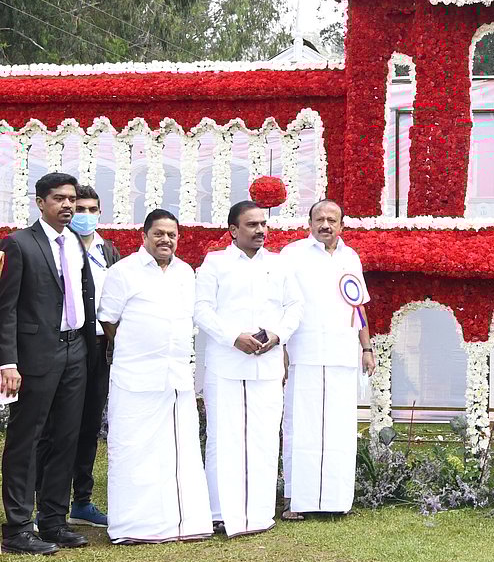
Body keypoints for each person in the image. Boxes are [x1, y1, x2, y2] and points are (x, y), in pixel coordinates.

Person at [98, 210, 211, 544]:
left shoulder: (185, 272)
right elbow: (108, 320)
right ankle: (133, 527)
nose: (166, 240)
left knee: (180, 451)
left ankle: (184, 523)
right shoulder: (123, 272)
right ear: (144, 236)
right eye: (159, 234)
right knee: (134, 451)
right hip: (135, 377)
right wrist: (136, 346)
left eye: (172, 235)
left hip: (176, 379)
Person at [0, 173, 95, 554]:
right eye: (59, 198)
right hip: (35, 354)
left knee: (66, 438)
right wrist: (7, 362)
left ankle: (54, 521)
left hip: (76, 351)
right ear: (40, 202)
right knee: (27, 439)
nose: (68, 206)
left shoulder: (75, 243)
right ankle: (18, 528)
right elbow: (5, 309)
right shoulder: (19, 244)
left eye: (72, 199)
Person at [195, 200, 302, 537]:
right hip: (226, 363)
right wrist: (233, 337)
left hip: (267, 364)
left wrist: (277, 334)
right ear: (233, 230)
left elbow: (295, 307)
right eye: (252, 225)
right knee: (223, 437)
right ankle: (219, 511)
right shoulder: (215, 264)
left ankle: (257, 512)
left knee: (265, 437)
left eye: (263, 224)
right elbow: (201, 310)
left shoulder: (279, 264)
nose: (260, 230)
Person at [281, 199, 375, 519]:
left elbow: (358, 306)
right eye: (319, 219)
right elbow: (279, 303)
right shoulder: (292, 254)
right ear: (309, 223)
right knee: (301, 427)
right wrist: (280, 347)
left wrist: (366, 348)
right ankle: (296, 500)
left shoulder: (350, 257)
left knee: (339, 429)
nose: (325, 225)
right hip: (303, 354)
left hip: (343, 355)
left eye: (331, 219)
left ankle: (337, 500)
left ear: (341, 225)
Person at [51, 186, 120, 529]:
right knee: (62, 425)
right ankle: (49, 502)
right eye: (80, 207)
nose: (86, 214)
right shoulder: (61, 245)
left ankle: (82, 501)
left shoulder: (108, 249)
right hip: (69, 343)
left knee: (90, 424)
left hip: (100, 347)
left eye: (92, 208)